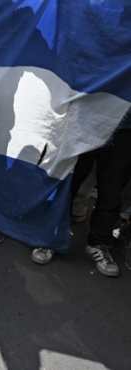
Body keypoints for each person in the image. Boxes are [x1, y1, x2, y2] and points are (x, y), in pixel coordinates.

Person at [31, 107, 131, 275]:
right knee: (70, 179)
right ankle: (52, 235)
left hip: (125, 128)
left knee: (112, 189)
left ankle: (99, 243)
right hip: (89, 117)